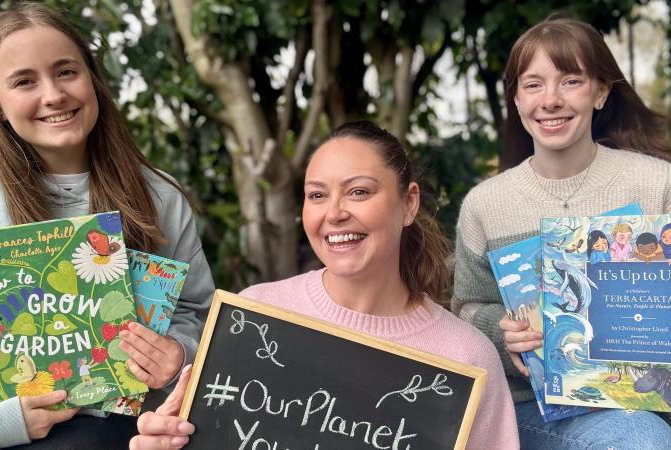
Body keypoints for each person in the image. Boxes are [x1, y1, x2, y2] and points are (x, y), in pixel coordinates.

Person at [0, 3, 214, 448]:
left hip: (138, 437)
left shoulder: (160, 197)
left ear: (93, 80)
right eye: (24, 81)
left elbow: (198, 315)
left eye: (66, 72)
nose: (54, 94)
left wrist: (178, 354)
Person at [130, 121, 520, 450]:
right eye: (317, 195)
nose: (334, 213)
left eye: (359, 192)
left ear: (410, 204)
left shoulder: (466, 357)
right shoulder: (250, 323)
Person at [450, 16, 671, 449]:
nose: (551, 100)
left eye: (571, 81)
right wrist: (503, 332)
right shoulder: (485, 205)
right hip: (527, 413)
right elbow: (465, 309)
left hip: (644, 405)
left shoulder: (657, 184)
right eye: (533, 84)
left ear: (600, 92)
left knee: (641, 436)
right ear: (517, 100)